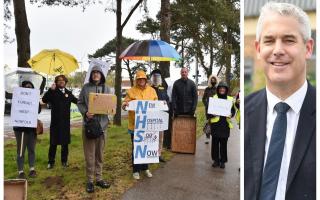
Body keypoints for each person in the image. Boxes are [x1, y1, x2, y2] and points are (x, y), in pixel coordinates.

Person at [244, 2, 315, 200]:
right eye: (269, 41)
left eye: (289, 40)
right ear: (258, 49)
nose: (277, 50)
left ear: (308, 48)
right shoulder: (248, 110)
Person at [77, 66, 111, 193]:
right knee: (90, 155)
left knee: (100, 154)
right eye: (94, 73)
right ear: (91, 75)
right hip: (89, 126)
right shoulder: (86, 88)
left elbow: (111, 104)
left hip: (103, 127)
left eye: (98, 73)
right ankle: (90, 180)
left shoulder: (107, 88)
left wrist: (110, 112)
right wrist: (85, 112)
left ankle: (99, 178)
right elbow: (80, 102)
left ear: (102, 75)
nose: (96, 74)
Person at [122, 70, 158, 180]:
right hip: (135, 125)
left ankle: (145, 168)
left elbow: (156, 104)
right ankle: (136, 170)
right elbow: (124, 105)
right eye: (139, 79)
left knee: (146, 146)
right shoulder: (131, 91)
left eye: (143, 79)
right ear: (136, 80)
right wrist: (125, 104)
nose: (141, 80)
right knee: (136, 147)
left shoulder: (152, 91)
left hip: (148, 124)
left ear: (146, 80)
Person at [42, 75, 78, 169]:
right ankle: (51, 162)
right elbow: (44, 100)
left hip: (65, 123)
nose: (61, 81)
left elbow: (78, 101)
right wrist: (50, 90)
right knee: (53, 143)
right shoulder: (53, 92)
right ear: (56, 82)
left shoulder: (69, 93)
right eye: (59, 80)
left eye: (63, 80)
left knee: (65, 144)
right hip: (55, 123)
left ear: (65, 82)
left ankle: (64, 161)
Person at [13, 81, 41, 179]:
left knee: (32, 149)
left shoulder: (34, 98)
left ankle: (32, 169)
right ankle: (21, 171)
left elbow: (38, 110)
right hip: (20, 130)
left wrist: (35, 99)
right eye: (26, 87)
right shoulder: (17, 98)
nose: (28, 88)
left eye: (30, 87)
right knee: (21, 150)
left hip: (31, 129)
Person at [209, 82, 235, 169]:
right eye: (220, 88)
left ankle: (223, 161)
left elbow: (233, 111)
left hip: (225, 125)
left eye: (224, 88)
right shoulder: (214, 98)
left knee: (223, 144)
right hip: (216, 125)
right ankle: (216, 160)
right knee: (215, 143)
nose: (222, 89)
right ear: (218, 89)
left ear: (226, 89)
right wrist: (212, 114)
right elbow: (209, 112)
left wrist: (231, 114)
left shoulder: (230, 99)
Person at [150, 69, 169, 162]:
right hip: (151, 117)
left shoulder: (163, 89)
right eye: (154, 77)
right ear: (151, 78)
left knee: (160, 137)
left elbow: (167, 101)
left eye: (158, 77)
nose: (156, 78)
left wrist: (166, 104)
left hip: (161, 116)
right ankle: (150, 153)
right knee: (151, 136)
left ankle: (159, 154)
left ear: (160, 78)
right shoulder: (148, 89)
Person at [202, 74, 219, 144]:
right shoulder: (207, 89)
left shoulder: (218, 89)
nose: (213, 81)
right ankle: (207, 137)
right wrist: (207, 105)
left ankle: (215, 136)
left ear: (216, 80)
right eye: (211, 80)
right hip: (208, 109)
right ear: (209, 80)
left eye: (214, 80)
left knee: (216, 122)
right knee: (209, 122)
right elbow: (203, 99)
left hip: (216, 109)